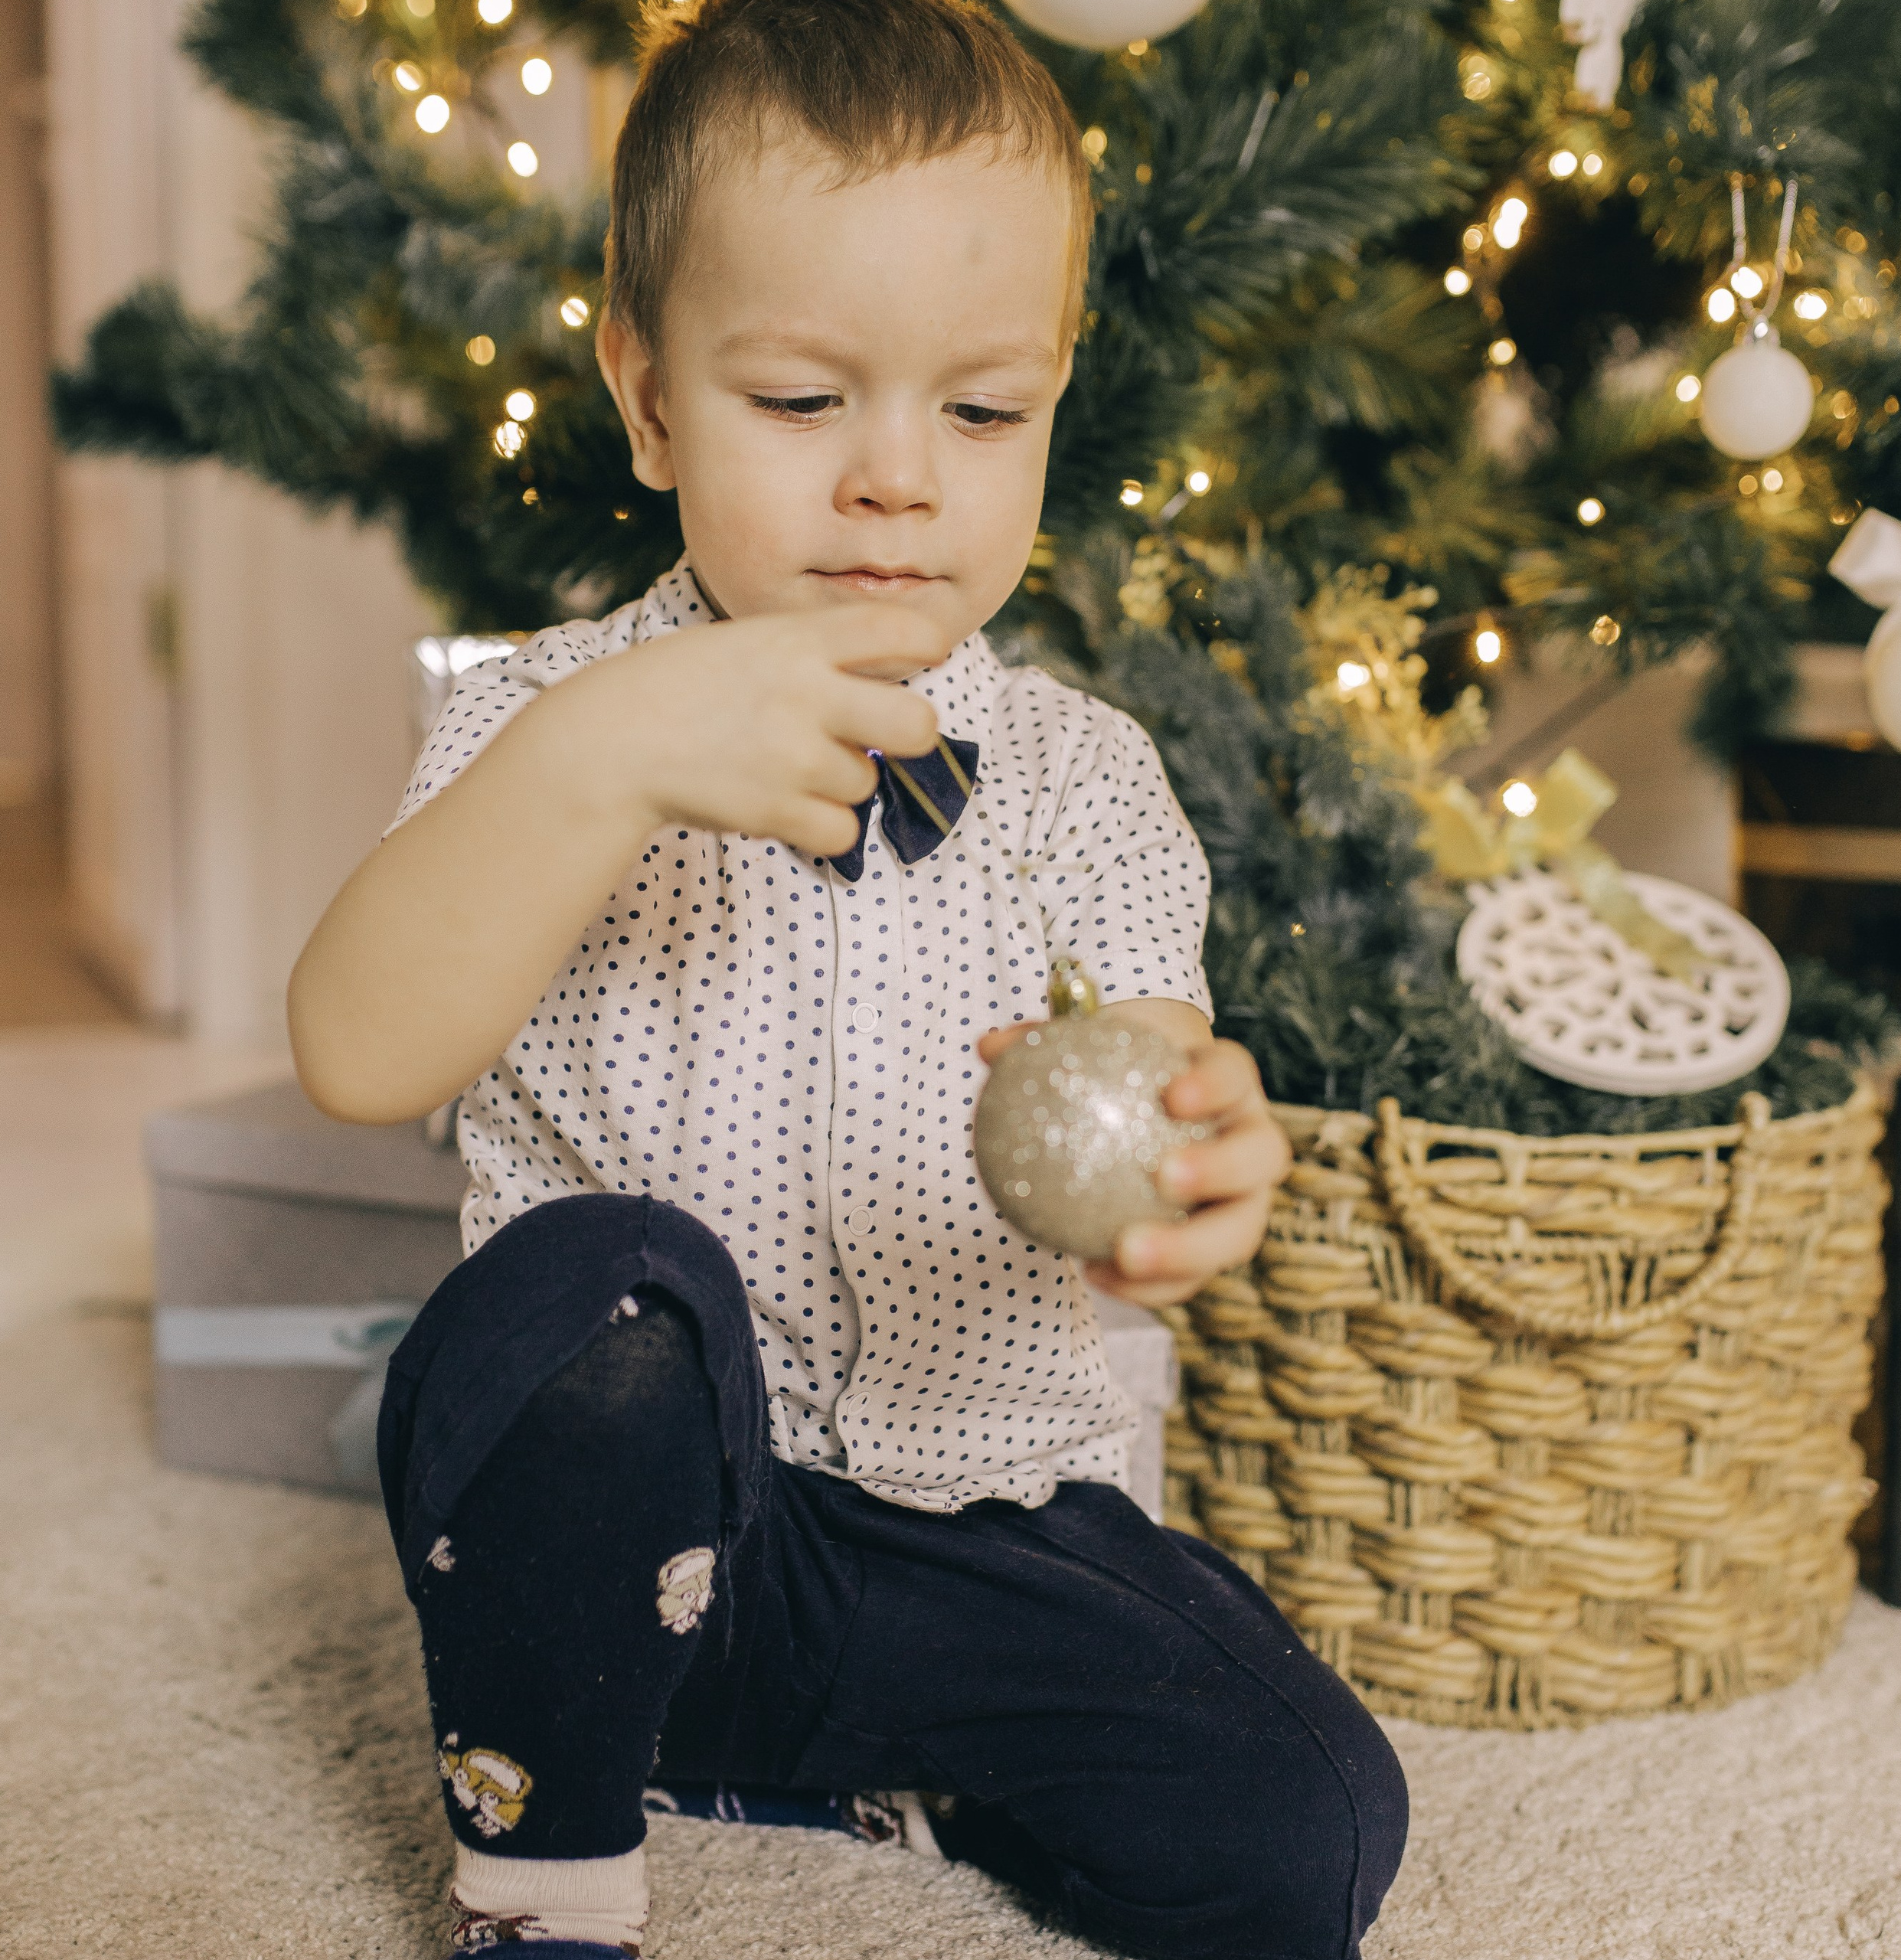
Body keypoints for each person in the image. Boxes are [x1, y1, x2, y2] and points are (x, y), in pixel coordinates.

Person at [288, 2, 1408, 1955]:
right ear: (646, 401)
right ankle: (546, 1867)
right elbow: (354, 1049)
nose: (898, 480)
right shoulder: (541, 726)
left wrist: (1195, 1158)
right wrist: (598, 765)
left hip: (964, 1522)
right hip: (629, 1512)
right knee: (597, 1284)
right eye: (802, 402)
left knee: (1308, 1819)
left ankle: (852, 1768)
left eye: (980, 414)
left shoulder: (1086, 784)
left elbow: (1144, 1073)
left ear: (1053, 399)